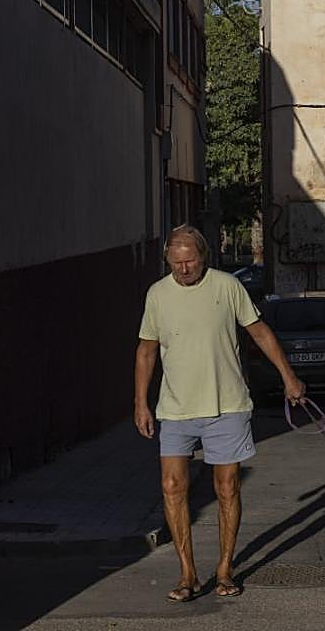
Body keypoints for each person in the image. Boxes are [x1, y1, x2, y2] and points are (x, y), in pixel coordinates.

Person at [134, 225, 305, 602]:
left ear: (204, 256)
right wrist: (140, 403)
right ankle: (187, 574)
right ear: (167, 261)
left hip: (227, 404)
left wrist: (289, 377)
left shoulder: (227, 286)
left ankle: (225, 569)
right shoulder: (157, 295)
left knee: (226, 489)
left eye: (190, 260)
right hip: (175, 407)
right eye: (176, 262)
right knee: (172, 487)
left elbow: (259, 332)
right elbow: (146, 351)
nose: (183, 269)